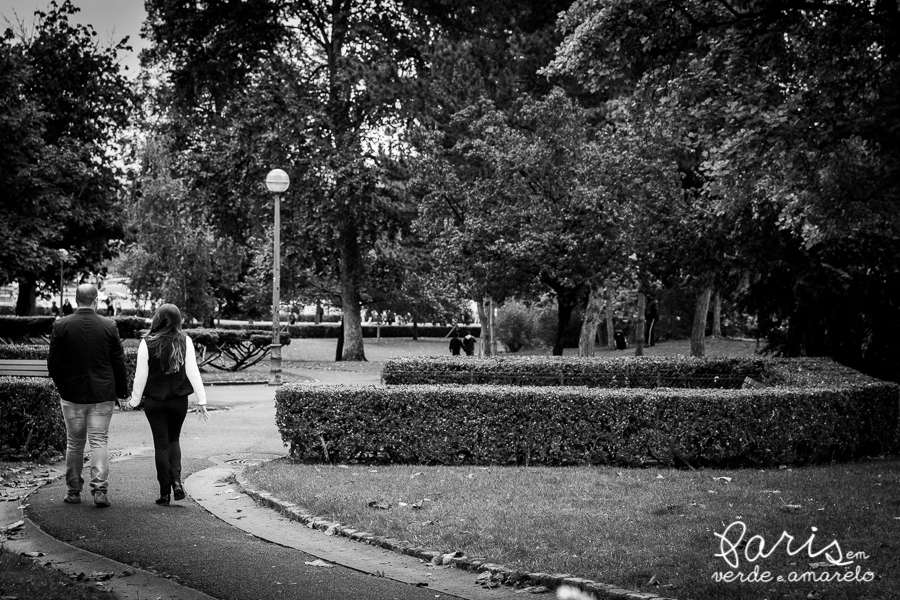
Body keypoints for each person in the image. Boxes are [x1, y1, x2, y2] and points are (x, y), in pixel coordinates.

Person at [47, 284, 128, 508]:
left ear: (75, 299)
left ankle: (73, 491)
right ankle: (100, 490)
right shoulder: (109, 325)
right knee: (99, 440)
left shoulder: (61, 325)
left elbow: (53, 363)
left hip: (71, 394)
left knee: (74, 443)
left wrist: (63, 386)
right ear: (96, 301)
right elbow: (118, 362)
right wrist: (122, 391)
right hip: (103, 393)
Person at [126, 304, 209, 506]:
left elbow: (140, 377)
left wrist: (134, 401)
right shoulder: (185, 341)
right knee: (174, 440)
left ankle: (164, 493)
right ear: (178, 320)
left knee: (160, 445)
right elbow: (193, 372)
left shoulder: (147, 343)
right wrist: (202, 399)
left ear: (158, 319)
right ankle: (177, 481)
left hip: (155, 402)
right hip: (178, 401)